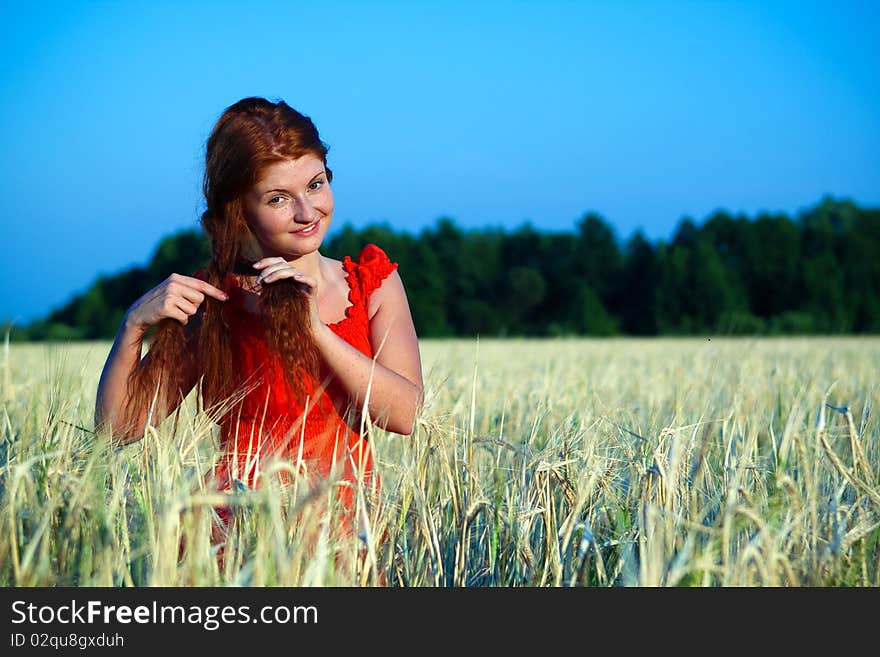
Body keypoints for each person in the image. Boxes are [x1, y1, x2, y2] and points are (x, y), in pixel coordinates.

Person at [94, 97, 424, 560]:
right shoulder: (216, 301)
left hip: (345, 538)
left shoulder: (372, 283)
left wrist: (314, 330)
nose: (307, 212)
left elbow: (404, 414)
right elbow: (120, 429)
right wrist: (131, 328)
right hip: (237, 541)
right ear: (239, 210)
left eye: (316, 184)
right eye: (278, 199)